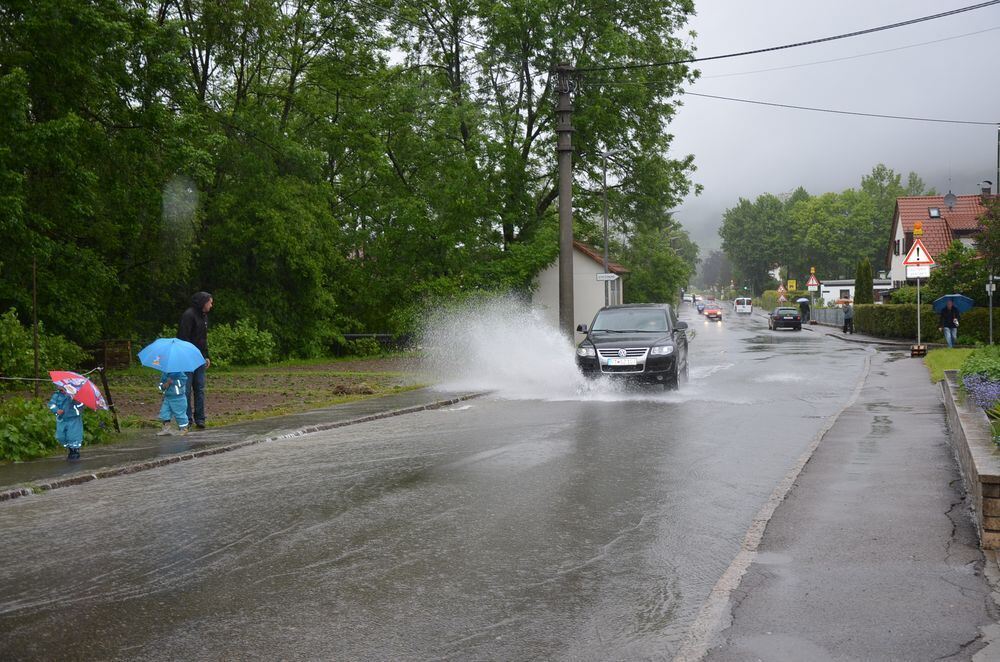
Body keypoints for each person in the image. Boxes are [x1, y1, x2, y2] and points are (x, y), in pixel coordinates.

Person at [178, 291, 213, 429]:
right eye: (210, 302)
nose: (211, 305)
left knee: (200, 388)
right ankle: (187, 419)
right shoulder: (188, 315)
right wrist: (189, 354)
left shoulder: (204, 317)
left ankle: (200, 418)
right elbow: (183, 337)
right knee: (186, 390)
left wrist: (206, 355)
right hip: (187, 359)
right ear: (203, 302)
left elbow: (204, 339)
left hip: (199, 359)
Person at [48, 386, 84, 460]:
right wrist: (56, 410)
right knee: (60, 436)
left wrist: (75, 400)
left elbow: (80, 406)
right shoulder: (56, 395)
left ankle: (74, 451)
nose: (61, 389)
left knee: (73, 436)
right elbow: (51, 404)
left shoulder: (75, 395)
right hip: (62, 419)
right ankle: (70, 449)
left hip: (73, 418)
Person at [157, 371, 189, 436]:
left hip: (179, 398)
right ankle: (166, 428)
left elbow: (183, 382)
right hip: (167, 398)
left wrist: (173, 382)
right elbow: (161, 385)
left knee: (180, 414)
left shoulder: (180, 373)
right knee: (164, 412)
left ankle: (183, 429)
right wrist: (164, 385)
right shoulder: (164, 374)